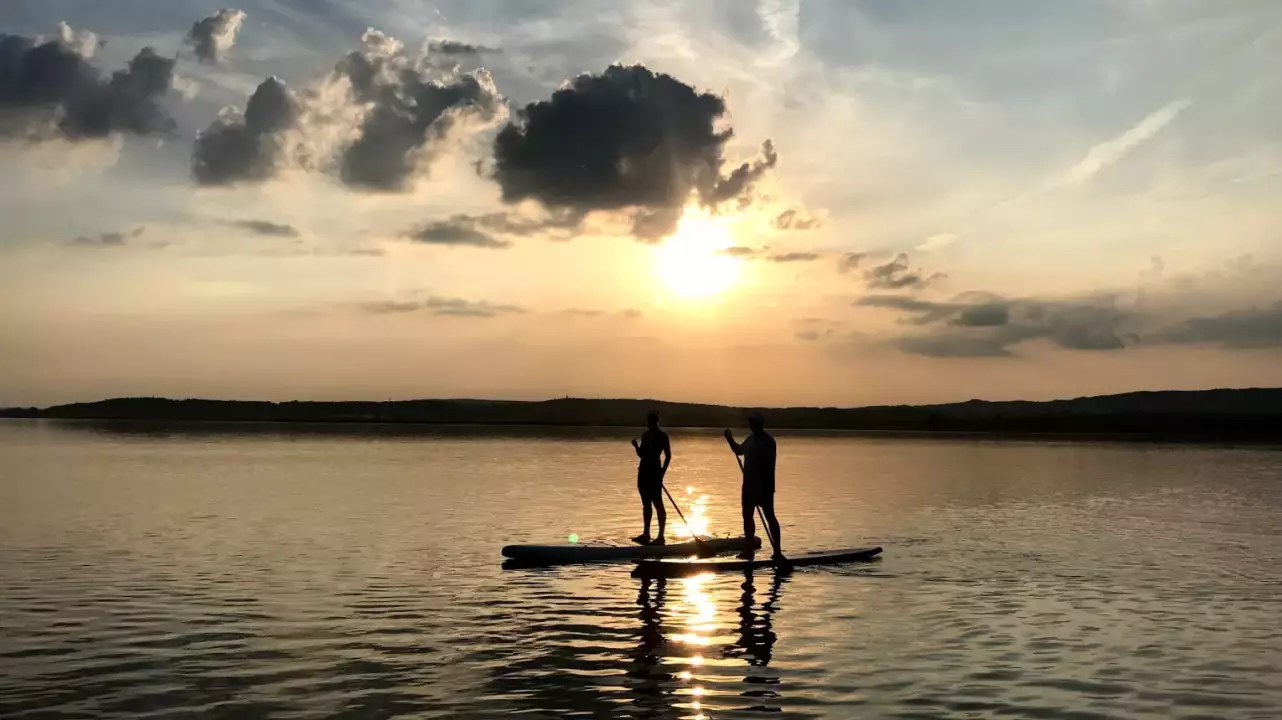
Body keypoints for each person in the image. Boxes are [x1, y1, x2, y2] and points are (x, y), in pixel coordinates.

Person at [725, 412, 782, 560]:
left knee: (769, 516)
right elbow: (739, 451)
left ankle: (777, 551)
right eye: (750, 423)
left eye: (754, 423)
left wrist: (759, 482)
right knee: (747, 517)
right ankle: (748, 550)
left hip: (764, 486)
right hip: (749, 486)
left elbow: (768, 463)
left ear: (759, 424)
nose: (751, 425)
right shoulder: (750, 440)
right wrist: (730, 440)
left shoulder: (769, 442)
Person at [631, 410, 671, 545]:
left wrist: (662, 472)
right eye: (648, 421)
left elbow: (668, 455)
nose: (648, 424)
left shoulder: (662, 436)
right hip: (643, 472)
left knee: (658, 503)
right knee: (646, 504)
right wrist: (636, 446)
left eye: (650, 421)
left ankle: (661, 536)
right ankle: (646, 534)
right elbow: (642, 454)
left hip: (654, 472)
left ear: (655, 421)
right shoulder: (645, 435)